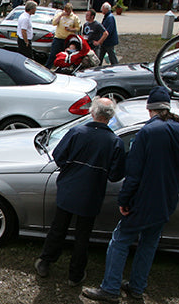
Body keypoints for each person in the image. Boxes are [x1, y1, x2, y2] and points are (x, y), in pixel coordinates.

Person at [83, 87, 179, 303]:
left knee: (120, 240)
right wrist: (176, 191)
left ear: (149, 109)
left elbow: (134, 171)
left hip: (143, 200)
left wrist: (124, 200)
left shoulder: (147, 133)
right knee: (149, 243)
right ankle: (137, 286)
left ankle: (110, 288)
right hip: (166, 200)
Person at [35, 97, 125, 286]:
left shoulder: (76, 132)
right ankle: (75, 275)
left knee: (58, 228)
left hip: (68, 189)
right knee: (83, 236)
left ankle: (45, 262)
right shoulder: (114, 142)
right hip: (92, 194)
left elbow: (59, 156)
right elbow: (115, 175)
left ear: (93, 112)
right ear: (110, 117)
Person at [46, 2, 81, 69]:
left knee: (66, 55)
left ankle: (63, 68)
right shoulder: (60, 15)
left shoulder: (74, 17)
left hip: (68, 39)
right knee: (53, 54)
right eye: (66, 11)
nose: (67, 13)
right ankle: (48, 67)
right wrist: (60, 16)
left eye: (69, 11)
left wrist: (71, 29)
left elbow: (78, 28)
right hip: (58, 38)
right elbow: (54, 23)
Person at [98, 2, 120, 66]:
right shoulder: (108, 17)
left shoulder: (110, 17)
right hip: (105, 41)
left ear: (106, 9)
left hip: (109, 41)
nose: (101, 10)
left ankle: (116, 66)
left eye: (103, 8)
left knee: (111, 56)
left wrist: (102, 39)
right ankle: (98, 66)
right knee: (101, 55)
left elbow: (108, 30)